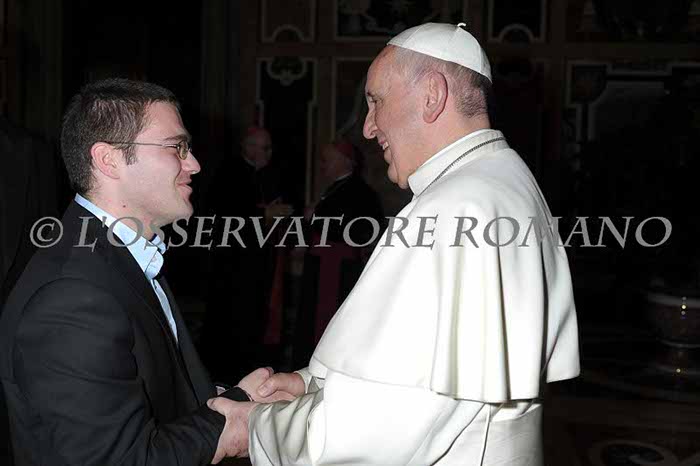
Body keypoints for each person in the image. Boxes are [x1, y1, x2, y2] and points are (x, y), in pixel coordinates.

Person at [208, 22, 581, 465]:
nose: (368, 128)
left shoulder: (453, 207)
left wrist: (255, 426)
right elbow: (421, 369)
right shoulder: (506, 179)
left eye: (376, 101)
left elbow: (381, 425)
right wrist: (313, 384)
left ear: (432, 95)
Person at [0, 78, 272, 465]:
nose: (193, 164)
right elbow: (118, 458)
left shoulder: (121, 256)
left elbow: (158, 395)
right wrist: (225, 429)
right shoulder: (71, 296)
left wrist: (238, 401)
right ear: (108, 160)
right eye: (176, 147)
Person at [203, 125, 294, 381]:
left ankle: (252, 371)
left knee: (256, 319)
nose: (268, 153)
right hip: (233, 265)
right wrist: (265, 214)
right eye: (264, 147)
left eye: (269, 148)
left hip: (259, 262)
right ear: (247, 147)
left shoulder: (266, 174)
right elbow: (224, 215)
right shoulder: (229, 172)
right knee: (232, 321)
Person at [293, 139, 383, 366]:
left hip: (337, 269)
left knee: (329, 323)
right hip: (322, 264)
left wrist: (315, 217)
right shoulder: (337, 187)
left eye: (327, 160)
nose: (322, 165)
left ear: (345, 161)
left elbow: (363, 229)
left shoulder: (360, 192)